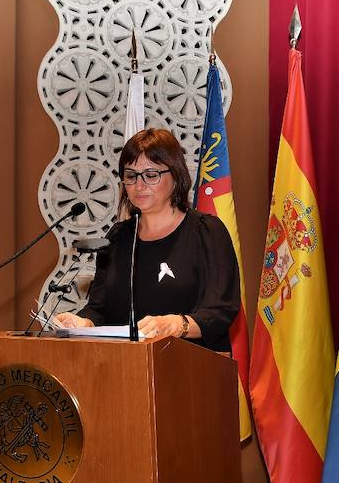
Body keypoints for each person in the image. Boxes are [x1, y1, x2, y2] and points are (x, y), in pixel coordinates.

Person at [54, 128, 240, 353]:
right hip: (126, 367)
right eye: (131, 176)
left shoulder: (206, 232)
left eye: (151, 175)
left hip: (191, 370)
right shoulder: (118, 237)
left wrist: (175, 324)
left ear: (176, 176)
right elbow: (99, 308)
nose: (139, 186)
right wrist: (83, 323)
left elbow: (220, 311)